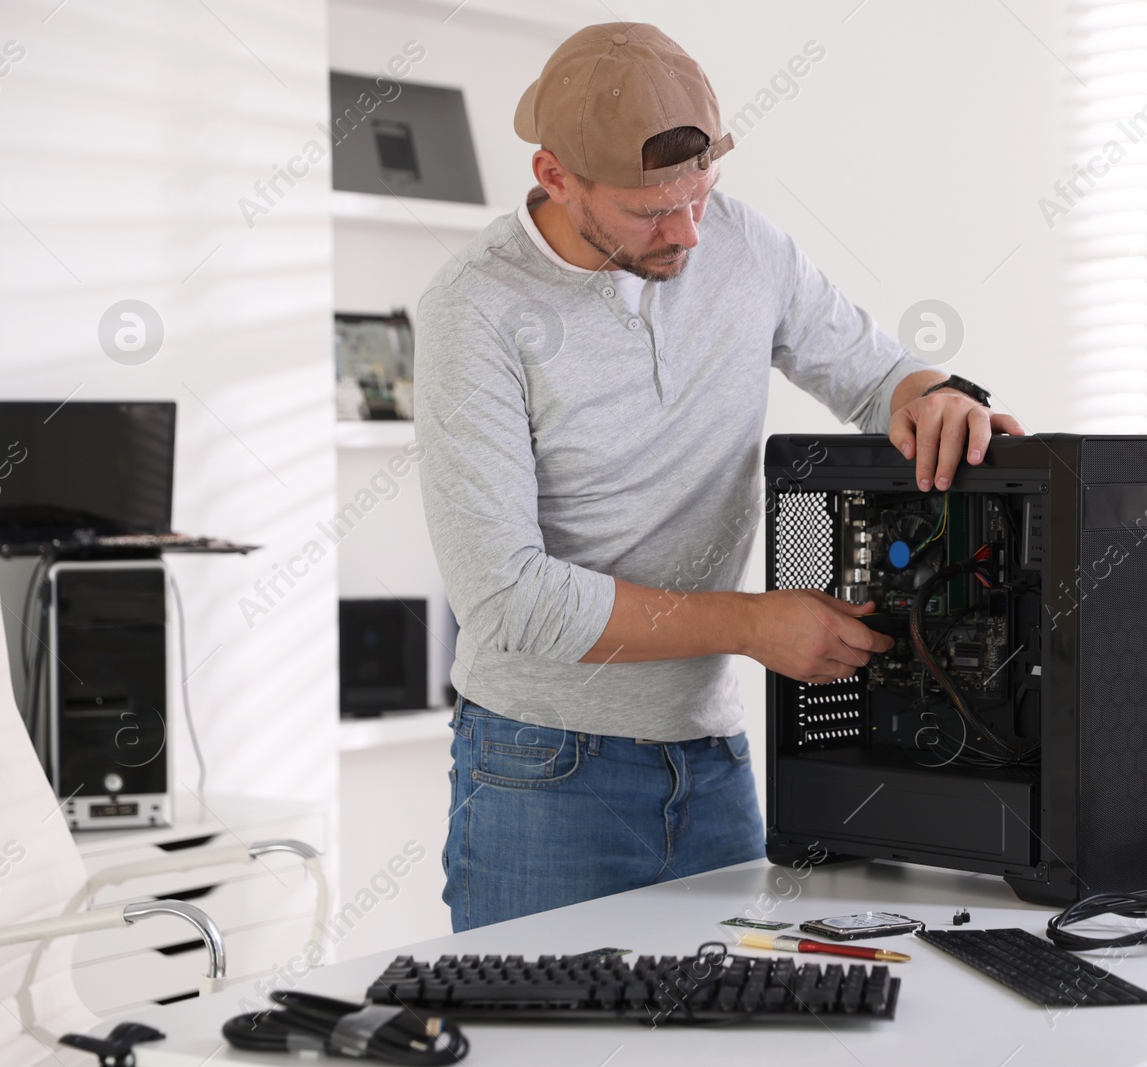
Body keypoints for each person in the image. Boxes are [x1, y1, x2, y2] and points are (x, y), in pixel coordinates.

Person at [415, 22, 1023, 931]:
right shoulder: (475, 310)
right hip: (541, 770)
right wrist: (750, 624)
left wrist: (934, 395)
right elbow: (509, 599)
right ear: (554, 177)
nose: (690, 233)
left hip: (713, 760)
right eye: (651, 211)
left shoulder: (746, 245)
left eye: (702, 195)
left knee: (743, 1028)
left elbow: (872, 374)